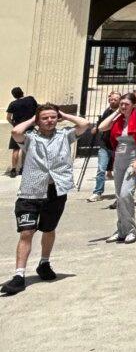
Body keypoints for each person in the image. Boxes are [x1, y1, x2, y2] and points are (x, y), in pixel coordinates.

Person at [2, 104, 91, 295]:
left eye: (52, 117)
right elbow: (16, 131)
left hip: (56, 190)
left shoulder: (64, 135)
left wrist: (64, 115)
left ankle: (44, 263)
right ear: (38, 120)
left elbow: (85, 124)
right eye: (45, 118)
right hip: (31, 191)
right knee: (27, 232)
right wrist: (32, 120)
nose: (49, 121)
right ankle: (19, 274)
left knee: (49, 229)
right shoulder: (30, 138)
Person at [97, 92, 136, 244]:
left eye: (126, 104)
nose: (123, 107)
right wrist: (116, 112)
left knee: (125, 194)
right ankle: (121, 229)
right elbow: (102, 127)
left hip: (134, 157)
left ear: (134, 105)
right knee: (118, 196)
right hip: (119, 159)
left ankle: (131, 230)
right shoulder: (118, 118)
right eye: (121, 104)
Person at [86, 91, 121, 202]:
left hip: (118, 145)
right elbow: (100, 123)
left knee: (120, 170)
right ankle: (97, 192)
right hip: (105, 144)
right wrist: (96, 128)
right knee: (101, 169)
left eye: (115, 99)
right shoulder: (107, 111)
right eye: (111, 99)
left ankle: (120, 193)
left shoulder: (123, 113)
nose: (113, 101)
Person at [6, 87, 38, 178]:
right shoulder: (30, 99)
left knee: (16, 149)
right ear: (22, 92)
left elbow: (8, 117)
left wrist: (14, 125)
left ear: (14, 96)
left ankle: (13, 170)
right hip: (29, 127)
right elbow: (38, 110)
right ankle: (24, 169)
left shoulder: (13, 104)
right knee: (28, 149)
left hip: (18, 128)